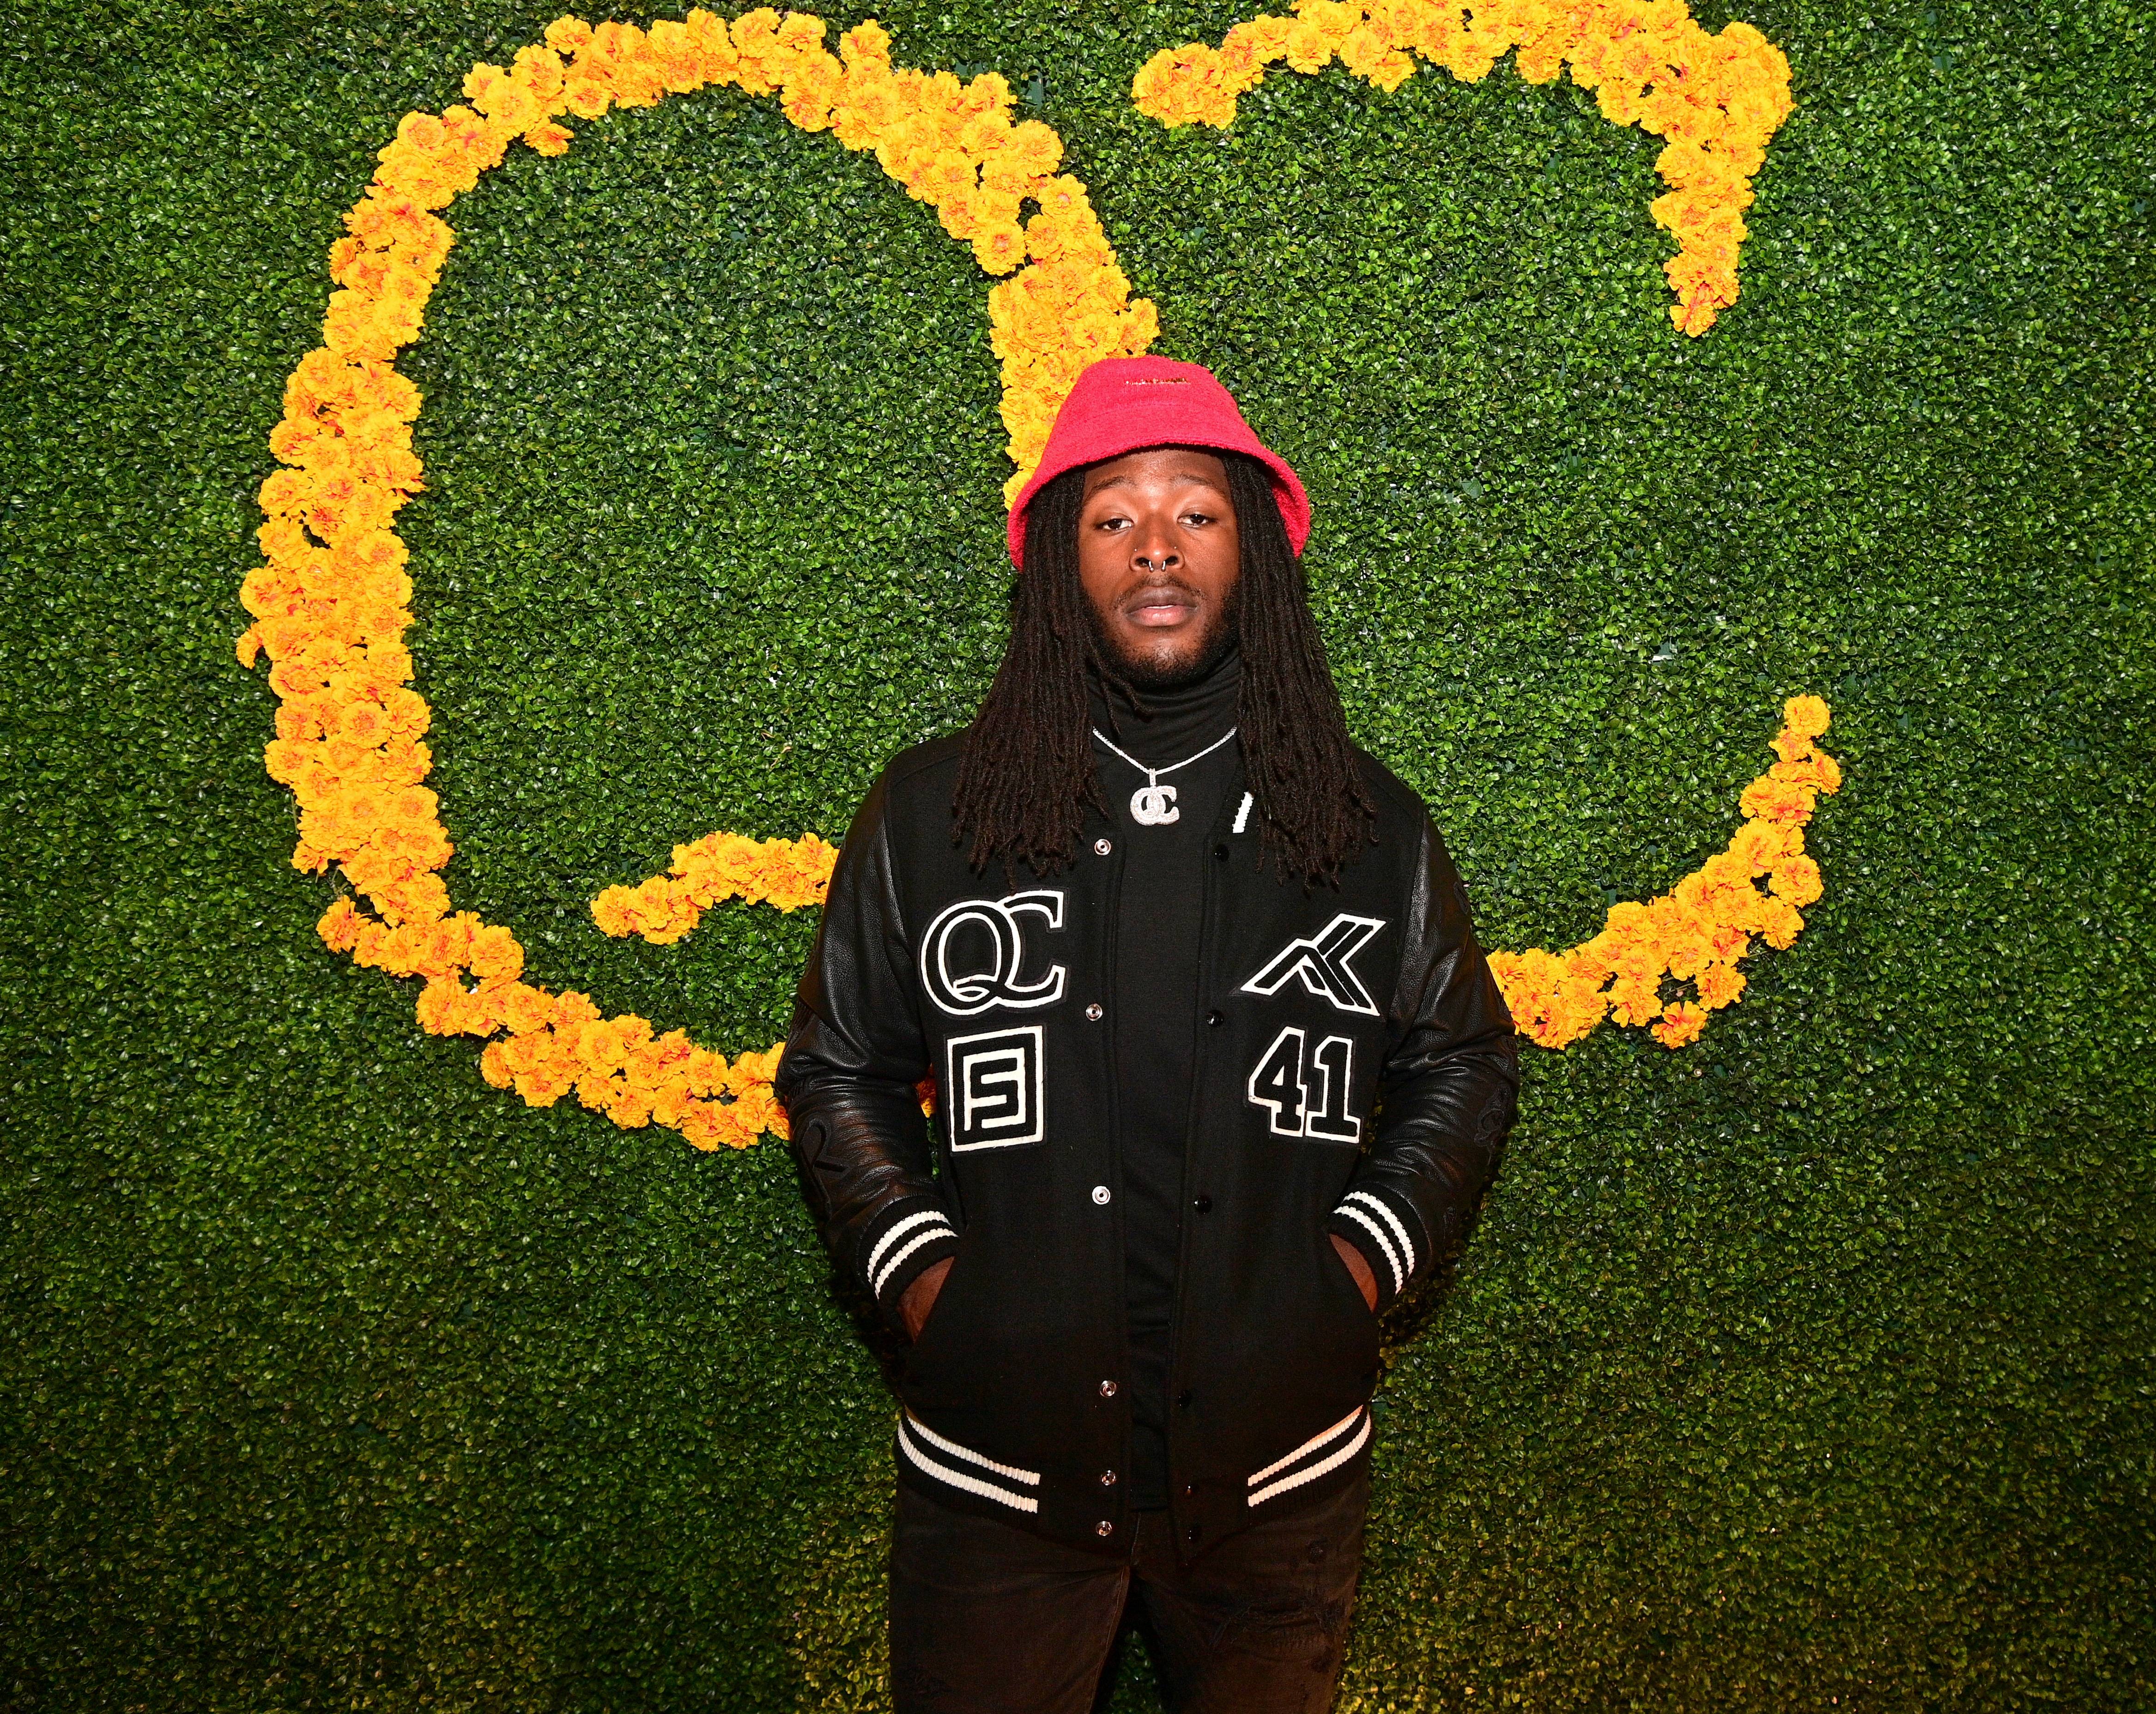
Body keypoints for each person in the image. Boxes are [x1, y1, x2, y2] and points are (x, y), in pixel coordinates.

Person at [775, 354, 1519, 1714]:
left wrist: (1353, 1271)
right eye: (1112, 517)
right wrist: (935, 1285)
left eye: (1196, 511)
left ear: (1257, 555)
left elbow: (1461, 1062)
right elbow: (839, 1070)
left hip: (1278, 1482)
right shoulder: (936, 809)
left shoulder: (1361, 823)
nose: (1156, 545)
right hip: (996, 1477)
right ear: (1061, 567)